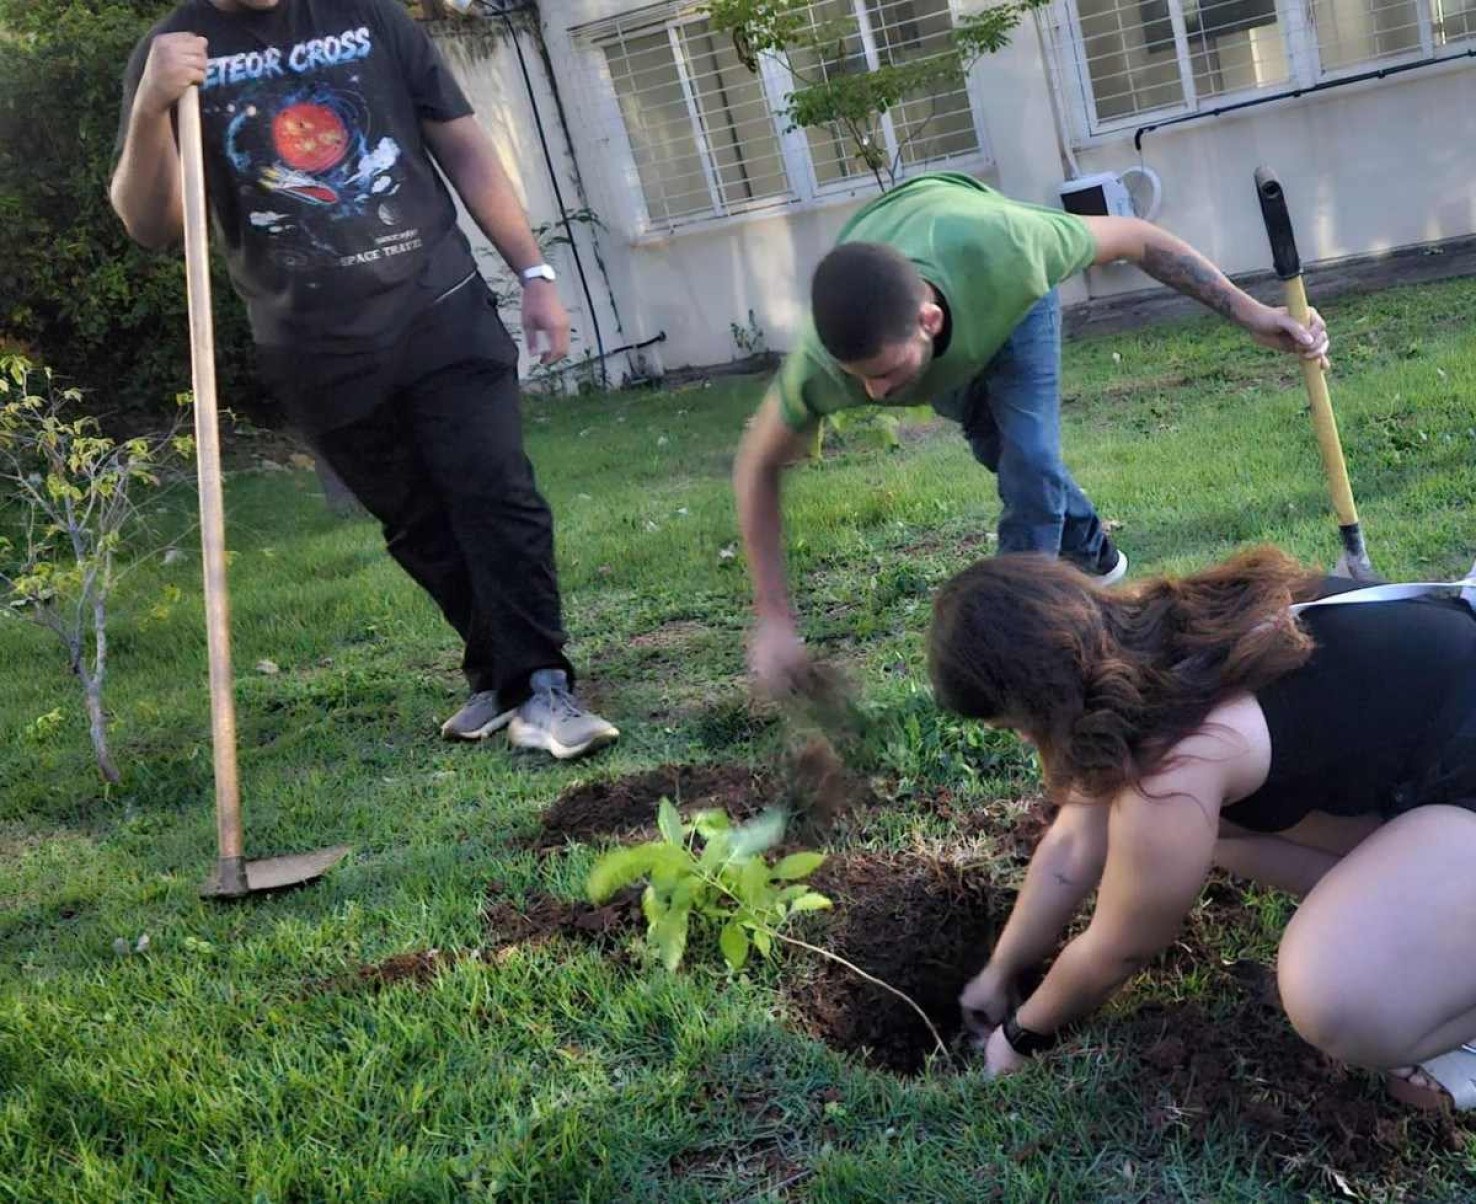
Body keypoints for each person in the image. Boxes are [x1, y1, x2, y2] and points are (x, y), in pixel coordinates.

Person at [110, 0, 617, 760]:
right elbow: (151, 224)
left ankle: (542, 684)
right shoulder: (173, 51)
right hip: (311, 343)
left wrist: (534, 269)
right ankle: (499, 677)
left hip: (436, 304)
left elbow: (465, 146)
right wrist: (151, 105)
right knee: (415, 522)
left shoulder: (370, 16)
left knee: (493, 488)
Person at [735, 171, 1332, 696]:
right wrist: (774, 618)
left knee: (1030, 465)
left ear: (930, 321)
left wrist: (1253, 313)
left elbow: (1136, 237)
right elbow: (756, 467)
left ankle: (1016, 656)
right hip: (933, 310)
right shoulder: (826, 364)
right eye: (858, 379)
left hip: (1006, 301)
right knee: (1002, 451)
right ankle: (1099, 561)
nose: (876, 395)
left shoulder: (1013, 247)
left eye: (887, 373)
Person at [927, 547, 1476, 1110]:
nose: (1022, 739)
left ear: (1041, 703)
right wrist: (1000, 971)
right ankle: (1428, 927)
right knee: (1210, 834)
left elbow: (1119, 948)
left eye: (1015, 724)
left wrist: (1020, 1038)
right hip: (1434, 753)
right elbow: (1071, 847)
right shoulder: (1141, 644)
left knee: (1334, 998)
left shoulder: (1177, 766)